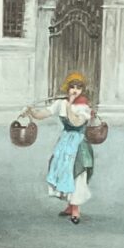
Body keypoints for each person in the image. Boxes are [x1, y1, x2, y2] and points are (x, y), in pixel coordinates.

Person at [20, 72, 97, 224]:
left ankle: (75, 209)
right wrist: (30, 112)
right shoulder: (60, 103)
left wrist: (69, 107)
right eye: (72, 87)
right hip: (64, 142)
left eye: (78, 88)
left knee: (76, 173)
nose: (75, 91)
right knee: (62, 171)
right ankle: (69, 205)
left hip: (78, 144)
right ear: (67, 88)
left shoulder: (83, 106)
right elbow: (44, 113)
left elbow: (76, 122)